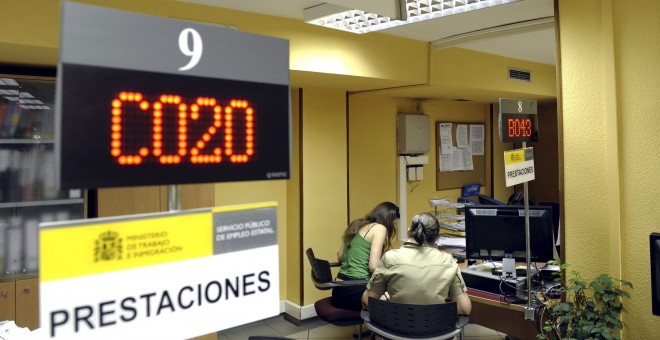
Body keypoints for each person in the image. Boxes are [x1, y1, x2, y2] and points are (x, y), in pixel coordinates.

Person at [361, 213, 471, 316]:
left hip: (396, 330)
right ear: (437, 237)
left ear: (409, 232)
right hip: (436, 332)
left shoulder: (389, 258)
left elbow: (367, 301)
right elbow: (464, 308)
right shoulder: (448, 261)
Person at [331, 201, 399, 311]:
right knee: (399, 289)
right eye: (394, 223)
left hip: (338, 291)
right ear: (389, 219)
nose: (394, 225)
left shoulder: (356, 224)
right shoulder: (379, 228)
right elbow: (373, 267)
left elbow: (340, 256)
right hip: (357, 291)